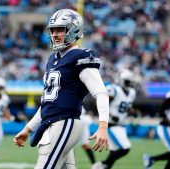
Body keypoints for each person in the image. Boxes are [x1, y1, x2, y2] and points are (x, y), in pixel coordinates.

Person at [14, 9, 110, 169]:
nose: (55, 34)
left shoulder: (80, 56)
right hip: (52, 123)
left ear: (74, 30)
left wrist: (102, 126)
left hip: (64, 122)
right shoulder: (53, 59)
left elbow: (101, 93)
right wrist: (27, 129)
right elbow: (48, 103)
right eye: (53, 30)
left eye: (61, 29)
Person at [92, 69, 136, 169]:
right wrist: (111, 115)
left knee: (114, 150)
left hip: (122, 125)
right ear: (121, 80)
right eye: (127, 81)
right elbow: (101, 102)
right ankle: (102, 165)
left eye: (130, 81)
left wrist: (133, 112)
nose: (129, 83)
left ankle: (103, 166)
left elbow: (125, 107)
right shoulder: (113, 89)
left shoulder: (131, 92)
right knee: (125, 148)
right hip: (112, 124)